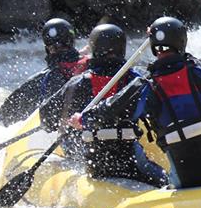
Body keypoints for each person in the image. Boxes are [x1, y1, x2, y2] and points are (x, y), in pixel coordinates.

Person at [69, 17, 201, 189]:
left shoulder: (145, 84)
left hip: (182, 164)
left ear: (153, 47)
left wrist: (83, 118)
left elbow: (113, 107)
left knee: (170, 185)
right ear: (182, 41)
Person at [39, 23, 166, 187]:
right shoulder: (135, 80)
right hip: (130, 161)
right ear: (122, 49)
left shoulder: (76, 84)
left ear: (93, 49)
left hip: (95, 163)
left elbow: (46, 121)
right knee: (166, 181)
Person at [0, 18, 89, 125]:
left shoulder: (45, 78)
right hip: (89, 119)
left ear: (47, 48)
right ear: (71, 41)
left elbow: (17, 102)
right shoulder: (89, 63)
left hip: (61, 125)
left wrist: (1, 116)